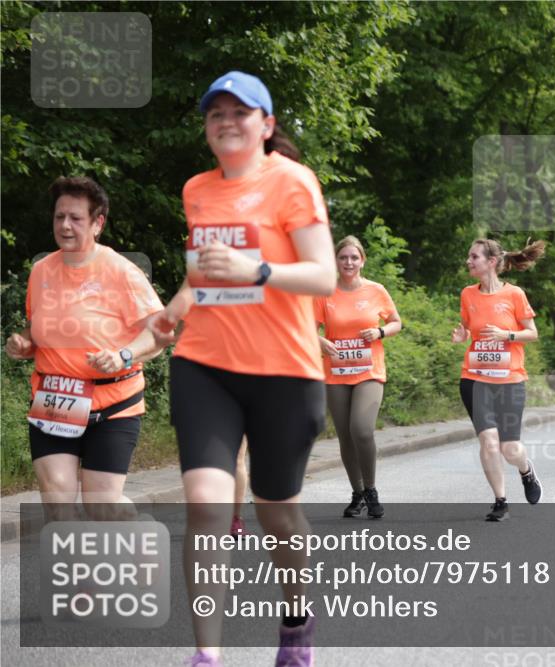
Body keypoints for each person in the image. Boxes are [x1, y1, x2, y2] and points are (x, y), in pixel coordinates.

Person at [147, 71, 336, 667]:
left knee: (276, 510)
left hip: (285, 370)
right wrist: (173, 310)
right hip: (205, 364)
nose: (226, 121)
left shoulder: (292, 181)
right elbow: (204, 273)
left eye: (240, 112)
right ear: (206, 128)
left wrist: (259, 272)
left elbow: (323, 275)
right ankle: (207, 655)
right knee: (205, 502)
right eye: (216, 114)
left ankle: (297, 623)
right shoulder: (197, 190)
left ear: (266, 124)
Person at [5, 176, 164, 518]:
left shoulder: (121, 272)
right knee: (57, 503)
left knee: (102, 507)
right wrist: (25, 342)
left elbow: (158, 334)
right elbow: (39, 327)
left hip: (113, 405)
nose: (65, 225)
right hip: (54, 400)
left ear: (97, 223)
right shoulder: (41, 271)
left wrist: (123, 355)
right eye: (59, 216)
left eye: (76, 218)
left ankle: (137, 530)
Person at [451, 238, 545, 522]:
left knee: (509, 448)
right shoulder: (468, 294)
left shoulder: (514, 294)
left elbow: (532, 333)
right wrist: (463, 336)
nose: (468, 261)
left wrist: (508, 335)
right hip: (475, 378)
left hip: (509, 380)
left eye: (474, 257)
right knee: (489, 441)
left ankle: (526, 470)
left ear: (491, 262)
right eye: (469, 256)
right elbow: (469, 328)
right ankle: (500, 501)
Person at [316, 235, 401, 519]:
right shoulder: (325, 292)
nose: (349, 262)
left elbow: (396, 322)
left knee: (361, 430)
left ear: (362, 260)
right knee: (345, 436)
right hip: (336, 372)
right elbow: (306, 328)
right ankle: (357, 492)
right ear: (336, 261)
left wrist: (379, 332)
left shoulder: (376, 290)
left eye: (354, 257)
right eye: (343, 257)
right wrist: (320, 341)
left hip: (369, 371)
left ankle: (371, 489)